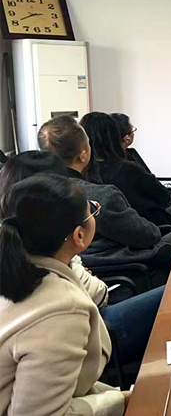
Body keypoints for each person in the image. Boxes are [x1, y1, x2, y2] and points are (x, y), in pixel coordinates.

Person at [0, 174, 129, 416]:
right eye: (92, 210)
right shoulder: (63, 309)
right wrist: (119, 401)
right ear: (79, 235)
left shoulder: (18, 270)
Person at [37, 115, 171, 270]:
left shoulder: (34, 192)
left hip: (78, 266)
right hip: (123, 266)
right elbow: (147, 236)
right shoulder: (101, 196)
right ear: (83, 155)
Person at [80, 112, 171, 227]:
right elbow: (163, 195)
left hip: (124, 229)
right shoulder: (127, 169)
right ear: (113, 137)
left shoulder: (81, 175)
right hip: (153, 226)